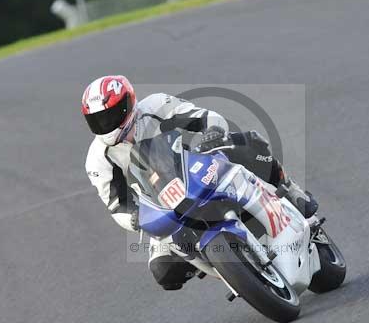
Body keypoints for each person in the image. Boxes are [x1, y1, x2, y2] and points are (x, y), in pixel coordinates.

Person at [82, 75, 317, 290]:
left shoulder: (155, 106)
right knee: (164, 271)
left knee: (246, 145)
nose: (106, 124)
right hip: (162, 207)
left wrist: (212, 132)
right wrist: (135, 217)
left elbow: (203, 117)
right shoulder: (97, 159)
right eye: (98, 120)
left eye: (110, 115)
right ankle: (228, 267)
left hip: (195, 169)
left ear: (128, 103)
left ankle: (290, 189)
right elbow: (116, 204)